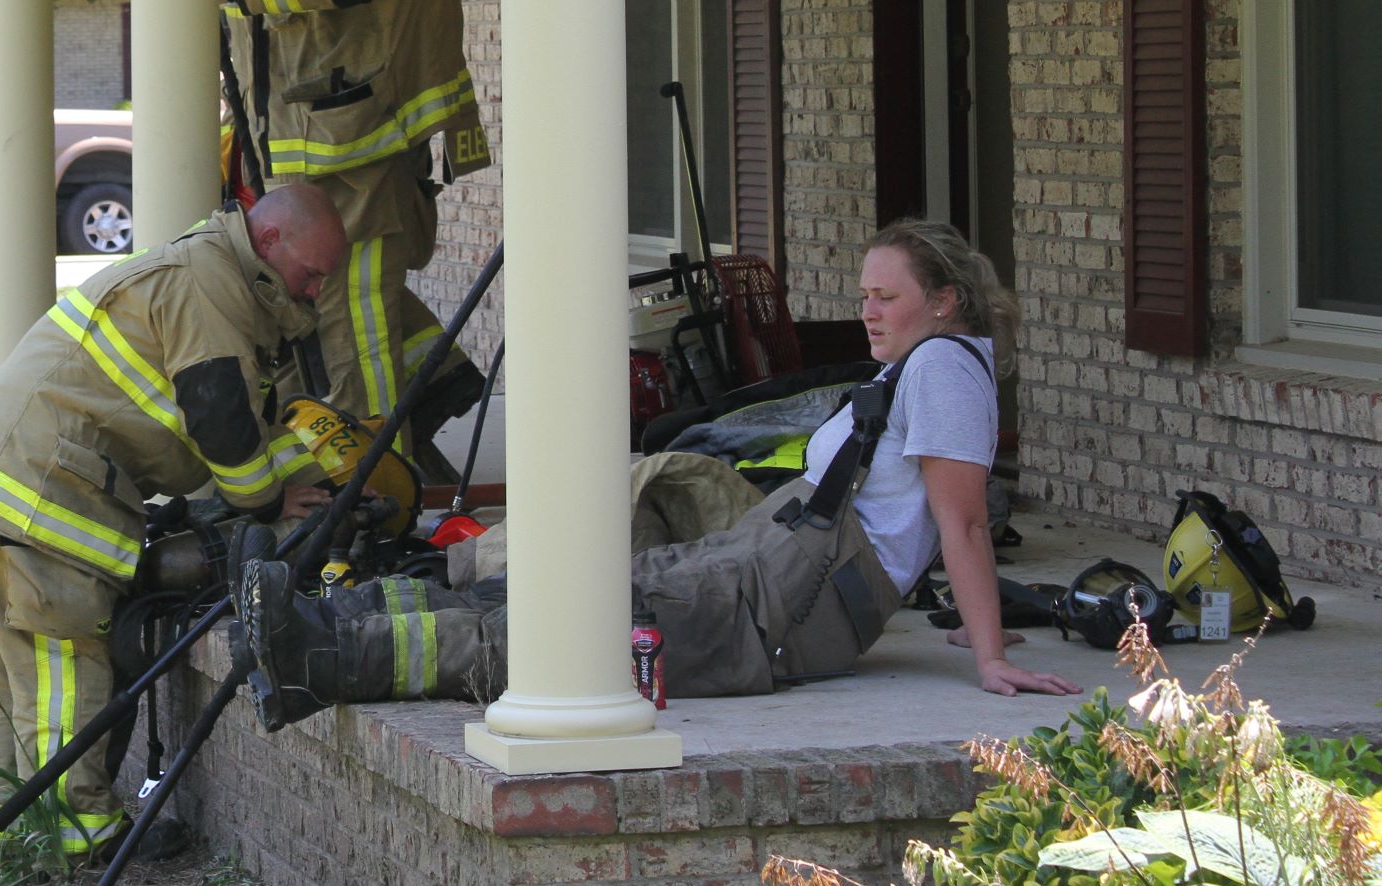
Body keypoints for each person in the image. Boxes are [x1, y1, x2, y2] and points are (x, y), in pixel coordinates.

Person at [234, 220, 1082, 723]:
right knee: (571, 590)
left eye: (884, 298)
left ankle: (327, 655)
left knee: (580, 638)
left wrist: (989, 655)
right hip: (773, 556)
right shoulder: (921, 364)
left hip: (795, 604)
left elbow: (961, 522)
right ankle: (323, 617)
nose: (865, 311)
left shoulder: (944, 372)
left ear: (942, 299)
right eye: (863, 293)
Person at [28, 0, 489, 465]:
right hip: (336, 126)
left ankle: (377, 474)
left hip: (354, 128)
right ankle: (433, 387)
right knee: (349, 301)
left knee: (351, 314)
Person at [0, 185, 344, 857]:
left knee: (8, 671)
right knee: (63, 661)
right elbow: (220, 423)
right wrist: (268, 502)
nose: (314, 292)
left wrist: (310, 479)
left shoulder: (218, 278)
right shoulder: (209, 288)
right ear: (271, 242)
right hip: (46, 490)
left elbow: (249, 419)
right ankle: (73, 839)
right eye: (311, 274)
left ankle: (8, 828)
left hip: (8, 482)